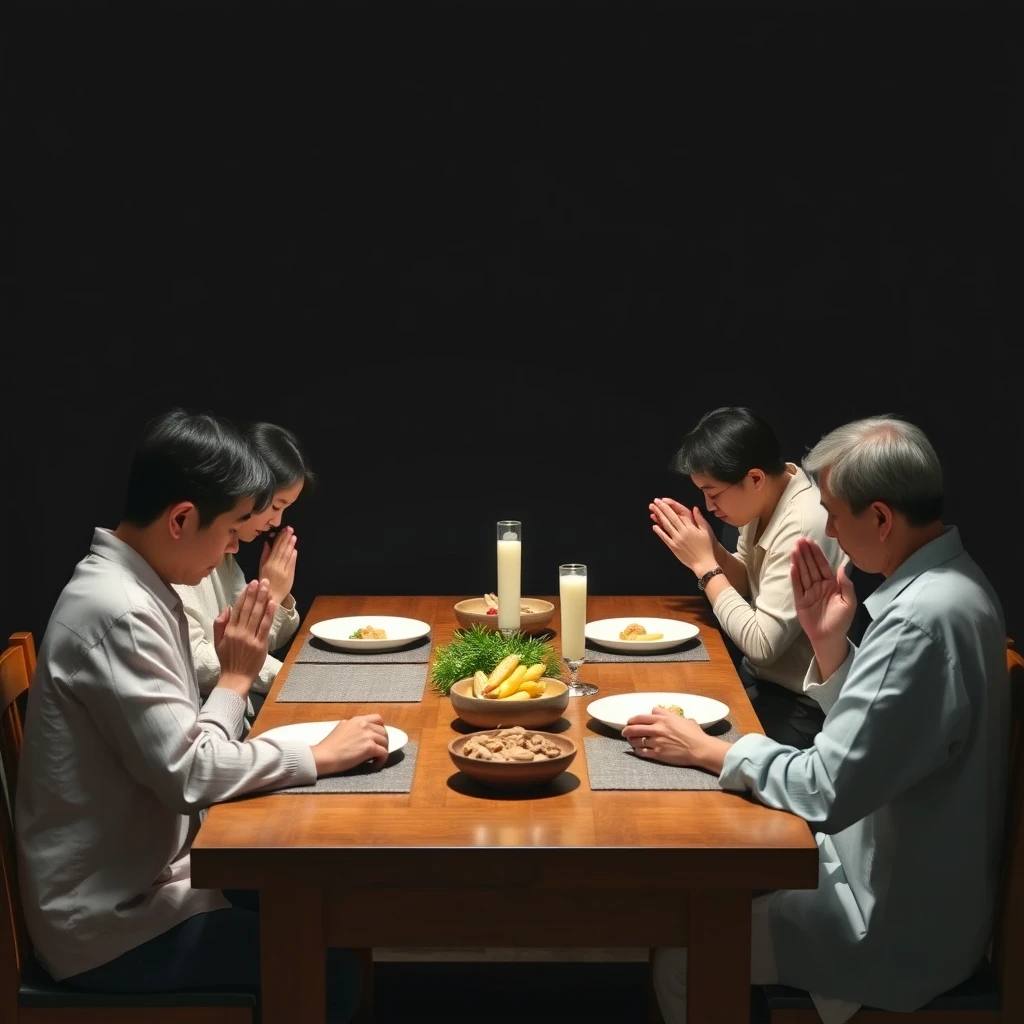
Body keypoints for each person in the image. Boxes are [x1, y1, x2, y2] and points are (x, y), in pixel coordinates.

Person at [629, 415, 1009, 1023]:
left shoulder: (920, 619)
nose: (826, 527)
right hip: (904, 886)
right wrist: (831, 647)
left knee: (682, 951)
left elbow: (825, 789)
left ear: (881, 518)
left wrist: (712, 751)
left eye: (833, 512)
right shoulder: (956, 588)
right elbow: (892, 738)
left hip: (891, 923)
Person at [15, 409, 389, 1021]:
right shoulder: (118, 612)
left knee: (329, 906)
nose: (235, 548)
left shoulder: (137, 590)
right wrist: (313, 751)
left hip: (152, 881)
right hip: (110, 927)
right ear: (182, 519)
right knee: (325, 971)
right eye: (231, 534)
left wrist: (237, 681)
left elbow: (187, 752)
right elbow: (190, 777)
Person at [650, 406, 848, 747]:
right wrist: (712, 549)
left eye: (713, 493)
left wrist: (705, 567)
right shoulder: (769, 497)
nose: (709, 506)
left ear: (755, 478)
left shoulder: (802, 524)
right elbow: (746, 582)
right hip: (763, 687)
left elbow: (761, 646)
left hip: (802, 706)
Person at [174, 420, 314, 723]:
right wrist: (295, 678)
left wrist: (274, 593)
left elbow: (249, 641)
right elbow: (200, 659)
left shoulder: (217, 553)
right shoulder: (182, 560)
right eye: (275, 506)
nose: (277, 522)